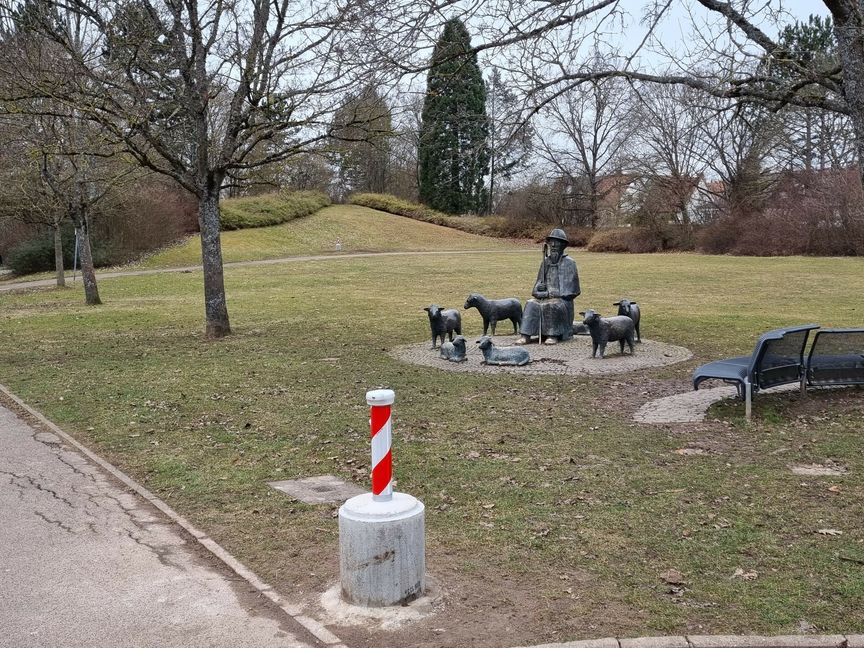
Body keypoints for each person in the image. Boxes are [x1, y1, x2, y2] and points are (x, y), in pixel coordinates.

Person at [515, 228, 581, 345]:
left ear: (563, 245)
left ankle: (552, 335)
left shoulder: (570, 263)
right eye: (551, 242)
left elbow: (573, 290)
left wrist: (551, 293)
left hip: (562, 301)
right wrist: (539, 290)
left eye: (557, 242)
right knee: (531, 303)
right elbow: (535, 288)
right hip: (544, 297)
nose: (553, 245)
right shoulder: (545, 262)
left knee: (552, 305)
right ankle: (526, 335)